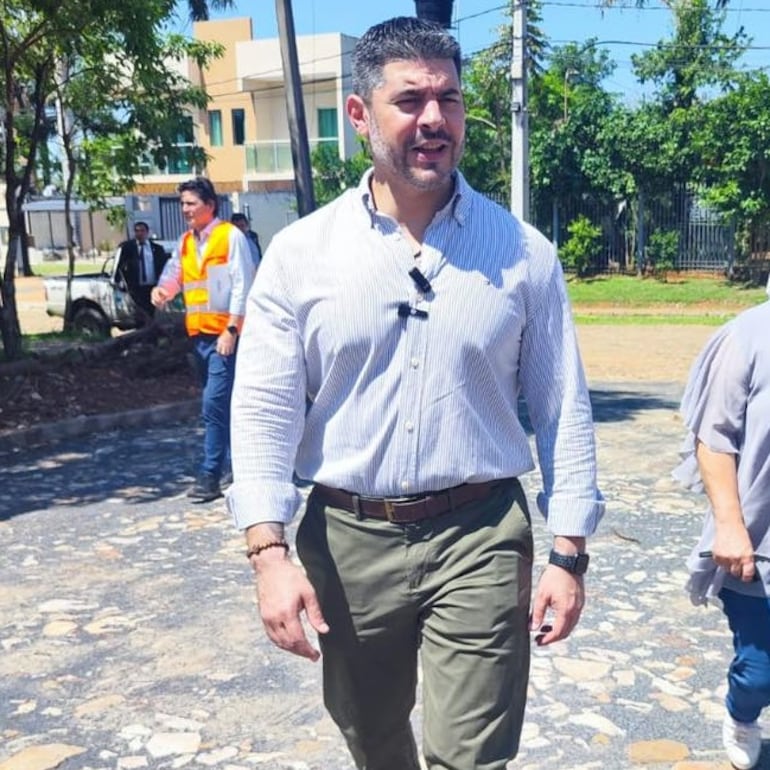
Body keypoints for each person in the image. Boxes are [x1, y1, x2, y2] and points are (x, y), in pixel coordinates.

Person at [226, 17, 604, 770]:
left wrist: (568, 552)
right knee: (370, 735)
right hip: (348, 537)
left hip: (480, 533)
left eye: (450, 99)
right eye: (410, 100)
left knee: (472, 756)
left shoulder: (522, 255)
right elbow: (265, 406)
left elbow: (563, 406)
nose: (434, 119)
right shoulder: (303, 255)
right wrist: (268, 551)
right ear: (361, 114)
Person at [674, 298, 770, 770]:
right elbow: (714, 437)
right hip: (759, 544)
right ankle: (742, 712)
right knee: (759, 672)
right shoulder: (749, 336)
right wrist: (730, 527)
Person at [151, 177, 255, 503]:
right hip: (199, 337)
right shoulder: (185, 242)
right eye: (182, 203)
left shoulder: (230, 237)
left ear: (210, 205)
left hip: (226, 337)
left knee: (213, 405)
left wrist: (233, 330)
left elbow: (244, 285)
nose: (185, 209)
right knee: (224, 405)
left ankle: (210, 474)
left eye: (191, 203)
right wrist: (163, 291)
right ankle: (241, 467)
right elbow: (175, 272)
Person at [116, 221, 169, 321]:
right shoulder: (128, 248)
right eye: (137, 231)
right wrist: (122, 282)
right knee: (140, 314)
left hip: (153, 287)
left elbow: (165, 267)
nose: (139, 233)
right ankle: (143, 331)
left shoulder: (157, 249)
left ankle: (151, 332)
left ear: (147, 232)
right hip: (136, 288)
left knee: (152, 312)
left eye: (142, 231)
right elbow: (121, 266)